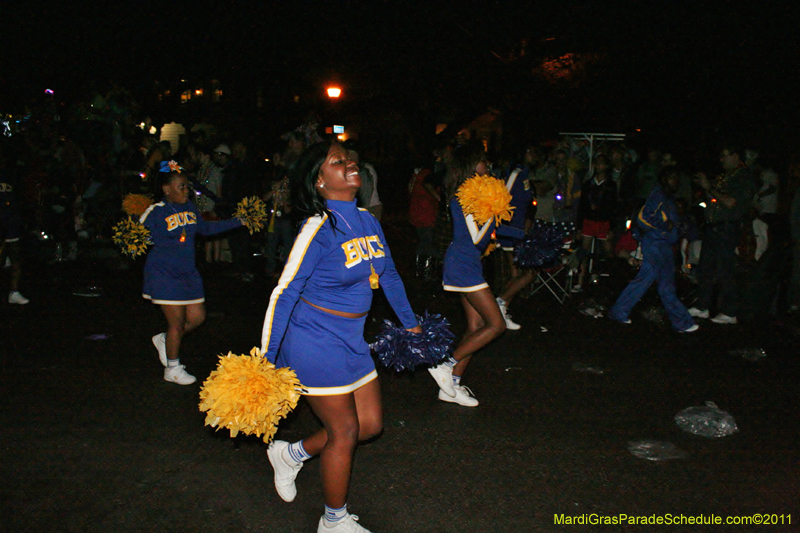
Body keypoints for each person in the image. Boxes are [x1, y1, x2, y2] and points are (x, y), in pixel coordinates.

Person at [260, 141, 421, 533]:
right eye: (338, 161)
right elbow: (285, 292)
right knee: (345, 431)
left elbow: (390, 275)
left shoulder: (367, 219)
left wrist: (411, 323)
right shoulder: (316, 228)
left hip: (352, 338)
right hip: (312, 339)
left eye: (351, 159)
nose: (351, 164)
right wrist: (265, 358)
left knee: (369, 425)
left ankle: (291, 453)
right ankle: (333, 520)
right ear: (319, 180)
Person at [140, 162, 244, 385]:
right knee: (176, 323)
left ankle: (166, 341)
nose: (186, 190)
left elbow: (205, 228)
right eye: (181, 187)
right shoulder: (156, 212)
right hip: (163, 274)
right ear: (167, 189)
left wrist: (239, 221)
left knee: (197, 318)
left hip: (188, 274)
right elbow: (135, 236)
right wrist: (134, 240)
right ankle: (173, 368)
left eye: (187, 186)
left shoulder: (191, 209)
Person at [427, 143, 506, 407]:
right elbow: (476, 238)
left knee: (475, 326)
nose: (488, 165)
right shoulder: (465, 195)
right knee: (496, 324)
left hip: (465, 263)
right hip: (463, 264)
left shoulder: (468, 194)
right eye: (483, 161)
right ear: (472, 165)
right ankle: (445, 365)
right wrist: (494, 214)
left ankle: (452, 386)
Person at [608, 168, 698, 332]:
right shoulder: (659, 195)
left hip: (659, 244)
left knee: (642, 281)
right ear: (664, 179)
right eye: (672, 177)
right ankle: (683, 322)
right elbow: (643, 218)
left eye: (677, 178)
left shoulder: (667, 197)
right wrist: (664, 225)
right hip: (657, 244)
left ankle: (618, 311)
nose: (675, 181)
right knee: (666, 284)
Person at [687, 145, 755, 324]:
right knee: (705, 268)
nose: (721, 160)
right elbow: (714, 199)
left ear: (736, 155)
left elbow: (731, 202)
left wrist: (709, 187)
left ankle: (729, 311)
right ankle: (702, 306)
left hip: (727, 227)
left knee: (725, 269)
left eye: (725, 156)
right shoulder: (724, 176)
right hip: (713, 226)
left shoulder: (743, 176)